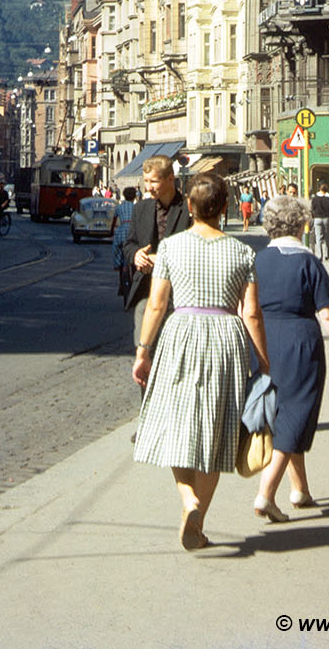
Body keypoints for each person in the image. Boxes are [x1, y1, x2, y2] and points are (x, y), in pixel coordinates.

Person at [132, 172, 269, 552]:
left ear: (190, 208)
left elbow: (157, 304)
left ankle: (186, 497)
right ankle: (199, 520)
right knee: (217, 429)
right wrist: (264, 363)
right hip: (226, 336)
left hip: (181, 334)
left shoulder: (172, 247)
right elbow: (252, 314)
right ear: (225, 209)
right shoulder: (243, 252)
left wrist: (143, 351)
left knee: (175, 423)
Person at [253, 196, 329, 521]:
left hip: (262, 340)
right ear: (301, 224)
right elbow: (328, 314)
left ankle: (300, 489)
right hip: (300, 341)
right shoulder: (308, 261)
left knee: (281, 414)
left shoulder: (256, 260)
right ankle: (265, 494)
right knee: (297, 413)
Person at [123, 155, 191, 348]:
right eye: (146, 181)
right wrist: (136, 255)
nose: (148, 187)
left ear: (170, 179)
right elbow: (129, 244)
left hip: (179, 294)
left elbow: (194, 249)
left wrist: (160, 259)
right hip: (146, 289)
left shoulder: (188, 209)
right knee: (143, 347)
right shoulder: (141, 209)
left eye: (154, 181)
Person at [111, 185, 137, 297]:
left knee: (117, 249)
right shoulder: (136, 207)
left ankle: (118, 267)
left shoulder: (119, 207)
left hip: (121, 232)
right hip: (133, 232)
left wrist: (111, 230)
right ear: (134, 197)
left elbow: (114, 220)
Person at [309, 182, 329, 261]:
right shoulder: (328, 199)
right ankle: (327, 255)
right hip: (326, 218)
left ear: (319, 189)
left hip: (317, 218)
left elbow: (312, 208)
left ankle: (320, 255)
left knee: (318, 237)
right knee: (327, 237)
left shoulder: (315, 198)